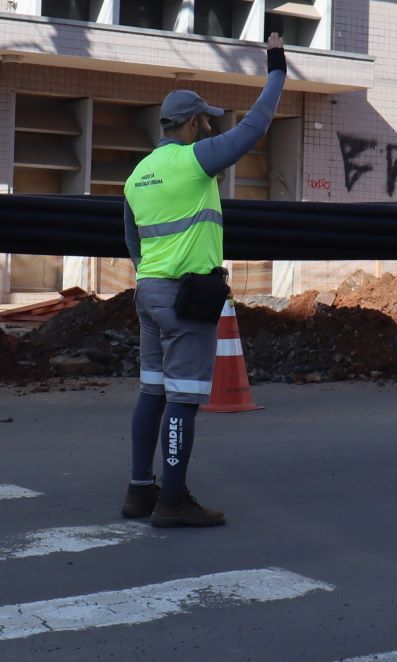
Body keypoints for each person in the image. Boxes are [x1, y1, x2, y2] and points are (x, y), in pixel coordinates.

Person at [120, 34, 286, 527]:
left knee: (152, 391)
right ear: (192, 123)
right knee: (184, 399)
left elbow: (133, 241)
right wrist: (276, 68)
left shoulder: (137, 174)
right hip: (186, 297)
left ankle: (139, 492)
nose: (210, 127)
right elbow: (255, 126)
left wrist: (155, 275)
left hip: (148, 293)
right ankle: (173, 501)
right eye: (206, 121)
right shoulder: (194, 161)